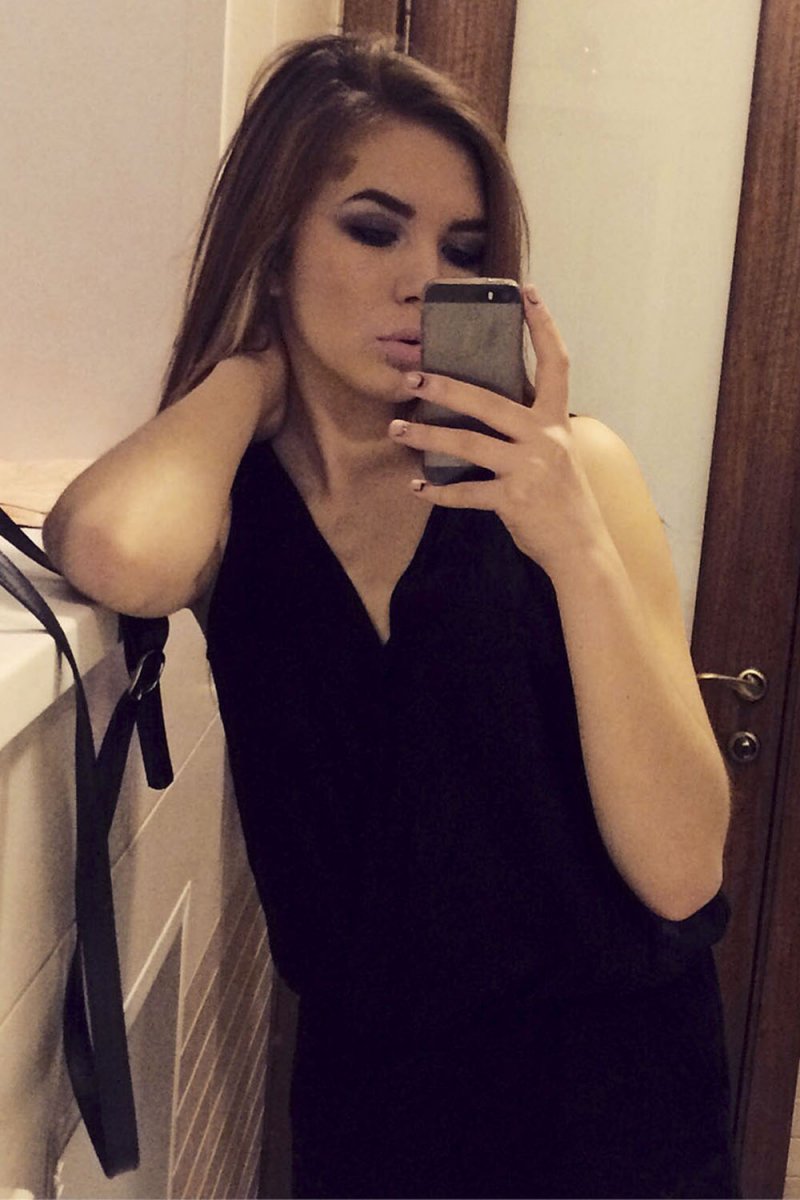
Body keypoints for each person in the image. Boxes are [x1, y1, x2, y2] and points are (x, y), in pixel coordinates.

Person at [44, 33, 739, 1200]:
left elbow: (680, 872)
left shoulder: (575, 477)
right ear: (274, 246)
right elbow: (113, 546)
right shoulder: (231, 505)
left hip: (613, 1108)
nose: (423, 277)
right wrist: (251, 374)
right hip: (376, 1115)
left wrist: (571, 546)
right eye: (373, 230)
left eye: (461, 250)